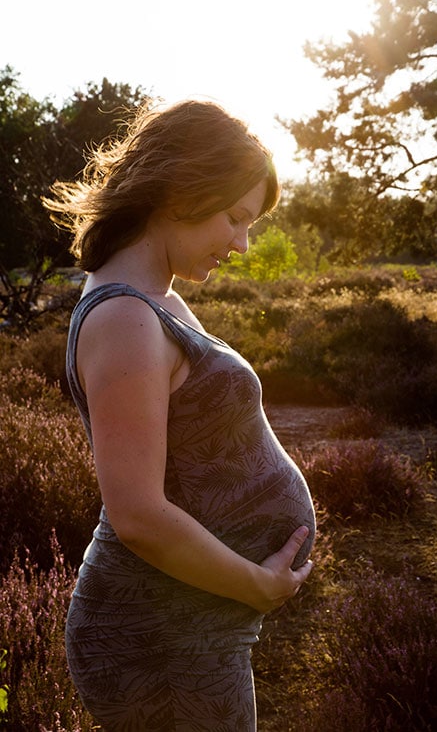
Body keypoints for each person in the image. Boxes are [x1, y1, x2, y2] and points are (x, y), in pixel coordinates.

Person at [44, 98, 315, 732]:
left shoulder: (154, 299)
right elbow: (136, 513)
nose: (243, 245)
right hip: (155, 636)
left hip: (190, 621)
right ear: (178, 192)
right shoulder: (125, 318)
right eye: (235, 218)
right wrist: (253, 583)